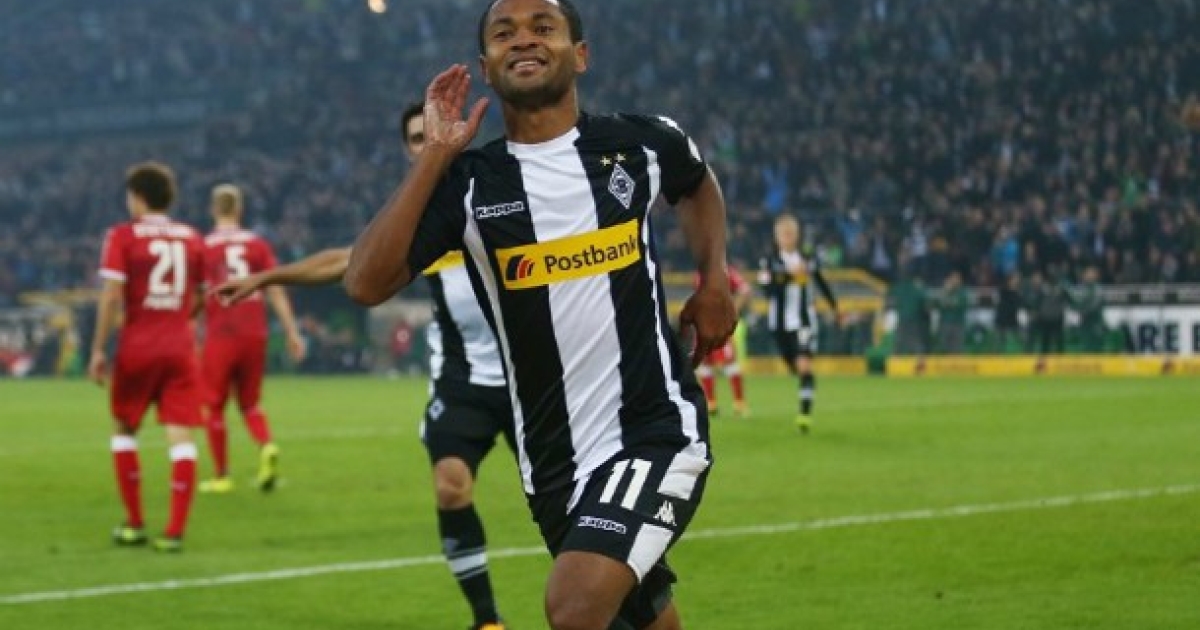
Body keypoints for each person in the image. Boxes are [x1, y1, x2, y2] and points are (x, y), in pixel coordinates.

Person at [342, 1, 737, 627]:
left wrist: (714, 281)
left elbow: (695, 183)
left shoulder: (642, 143)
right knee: (641, 618)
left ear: (580, 55)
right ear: (486, 68)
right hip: (553, 461)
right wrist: (435, 157)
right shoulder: (469, 184)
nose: (523, 40)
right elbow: (364, 281)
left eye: (543, 28)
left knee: (574, 605)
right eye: (505, 34)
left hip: (653, 431)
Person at [216, 102, 514, 630]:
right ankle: (487, 621)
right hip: (463, 381)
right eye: (417, 138)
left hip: (530, 378)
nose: (427, 144)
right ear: (407, 150)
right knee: (451, 486)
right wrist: (266, 278)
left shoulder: (500, 192)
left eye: (433, 133)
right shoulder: (418, 218)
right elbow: (348, 260)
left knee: (561, 498)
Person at [89, 162, 205, 552]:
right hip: (180, 345)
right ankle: (174, 531)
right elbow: (201, 295)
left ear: (138, 197)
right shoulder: (192, 237)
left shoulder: (122, 236)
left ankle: (135, 523)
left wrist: (98, 349)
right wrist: (180, 320)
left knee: (124, 431)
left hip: (138, 345)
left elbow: (111, 296)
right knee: (181, 436)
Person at [199, 184, 306, 494]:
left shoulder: (204, 247)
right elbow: (275, 289)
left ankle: (221, 476)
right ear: (239, 209)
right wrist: (291, 331)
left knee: (214, 405)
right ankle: (266, 444)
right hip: (254, 332)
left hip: (221, 333)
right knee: (249, 403)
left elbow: (196, 294)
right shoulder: (257, 245)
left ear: (213, 209)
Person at [758, 214, 839, 433]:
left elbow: (821, 282)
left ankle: (804, 414)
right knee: (794, 366)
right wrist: (789, 277)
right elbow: (767, 291)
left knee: (804, 365)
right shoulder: (769, 261)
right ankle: (805, 385)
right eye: (784, 234)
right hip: (779, 326)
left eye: (791, 233)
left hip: (804, 322)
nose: (788, 238)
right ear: (777, 237)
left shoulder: (808, 259)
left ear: (797, 235)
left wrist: (835, 307)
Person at [693, 266, 752, 417]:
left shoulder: (726, 272)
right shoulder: (701, 273)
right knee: (705, 364)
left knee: (729, 363)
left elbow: (745, 290)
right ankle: (711, 403)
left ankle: (739, 403)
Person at [1074, 266, 1106, 352]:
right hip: (1084, 323)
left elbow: (1094, 305)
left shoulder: (1099, 289)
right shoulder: (1081, 288)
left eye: (1091, 274)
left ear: (1096, 276)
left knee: (1096, 347)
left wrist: (1083, 309)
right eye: (1087, 274)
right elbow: (1076, 302)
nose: (1089, 276)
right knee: (1085, 346)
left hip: (1095, 322)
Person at [935, 271, 968, 354]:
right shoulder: (943, 291)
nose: (955, 280)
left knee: (957, 349)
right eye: (953, 278)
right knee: (942, 348)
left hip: (958, 324)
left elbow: (958, 304)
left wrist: (946, 301)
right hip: (944, 323)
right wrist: (945, 292)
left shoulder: (963, 292)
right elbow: (937, 304)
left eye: (957, 278)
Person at [993, 273, 1023, 353]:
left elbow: (1019, 307)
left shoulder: (1018, 294)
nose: (1015, 282)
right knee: (998, 343)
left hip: (1013, 321)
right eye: (1013, 280)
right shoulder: (1003, 291)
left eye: (1016, 280)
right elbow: (998, 303)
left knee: (1017, 341)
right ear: (1009, 281)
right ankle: (996, 356)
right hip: (1001, 320)